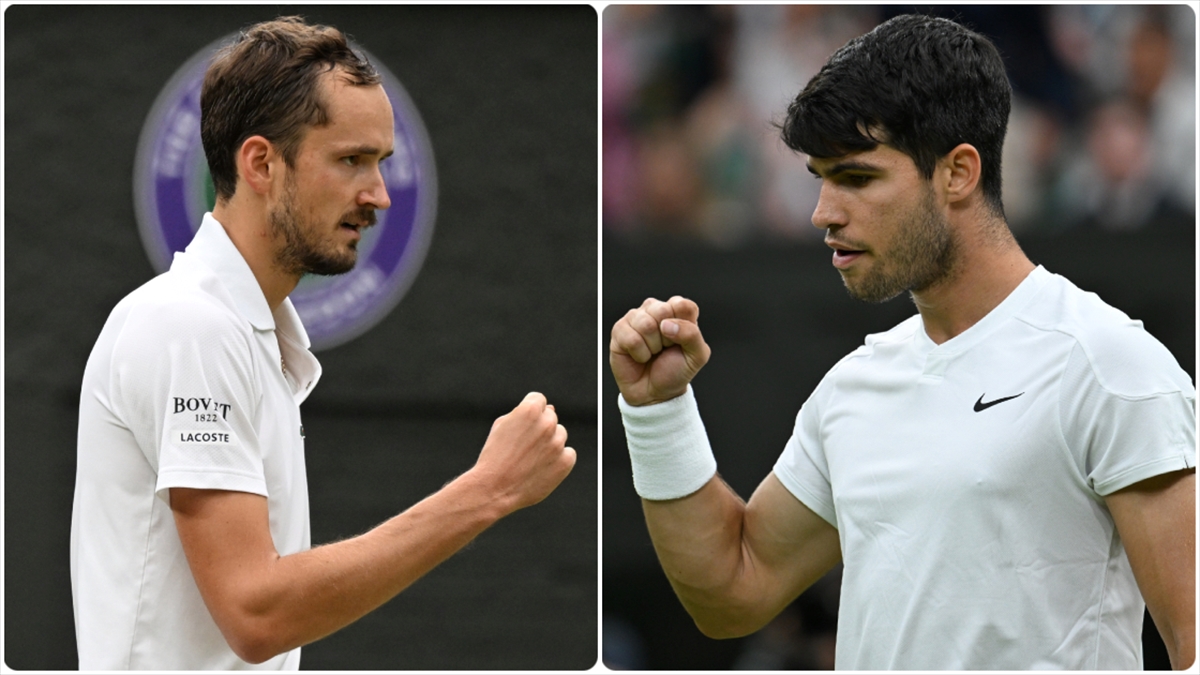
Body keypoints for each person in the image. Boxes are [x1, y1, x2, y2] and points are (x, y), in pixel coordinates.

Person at [609, 14, 1194, 670]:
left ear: (958, 172)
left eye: (856, 177)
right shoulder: (853, 387)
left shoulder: (1110, 363)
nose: (823, 211)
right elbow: (732, 590)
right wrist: (659, 410)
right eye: (820, 178)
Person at [71, 17, 576, 670]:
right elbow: (257, 612)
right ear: (260, 163)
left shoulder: (240, 331)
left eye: (381, 162)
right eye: (351, 160)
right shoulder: (191, 326)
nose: (381, 196)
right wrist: (487, 490)